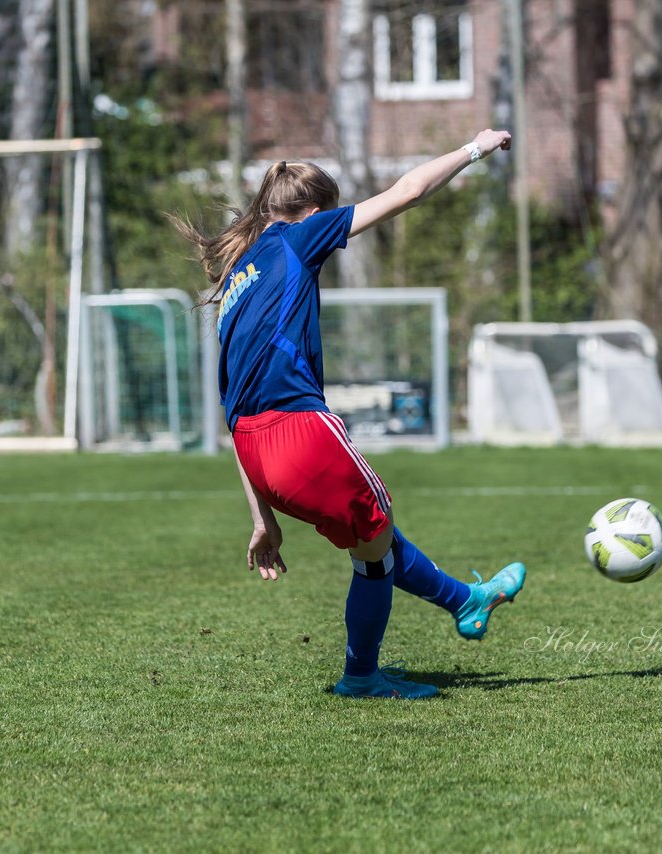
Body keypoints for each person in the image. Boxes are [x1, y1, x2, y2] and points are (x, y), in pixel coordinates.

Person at [172, 130, 525, 700]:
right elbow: (408, 191)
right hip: (299, 432)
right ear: (314, 212)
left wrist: (261, 516)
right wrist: (475, 149)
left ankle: (468, 601)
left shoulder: (238, 276)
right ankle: (362, 674)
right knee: (374, 544)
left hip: (254, 449)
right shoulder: (299, 236)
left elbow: (232, 410)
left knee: (374, 535)